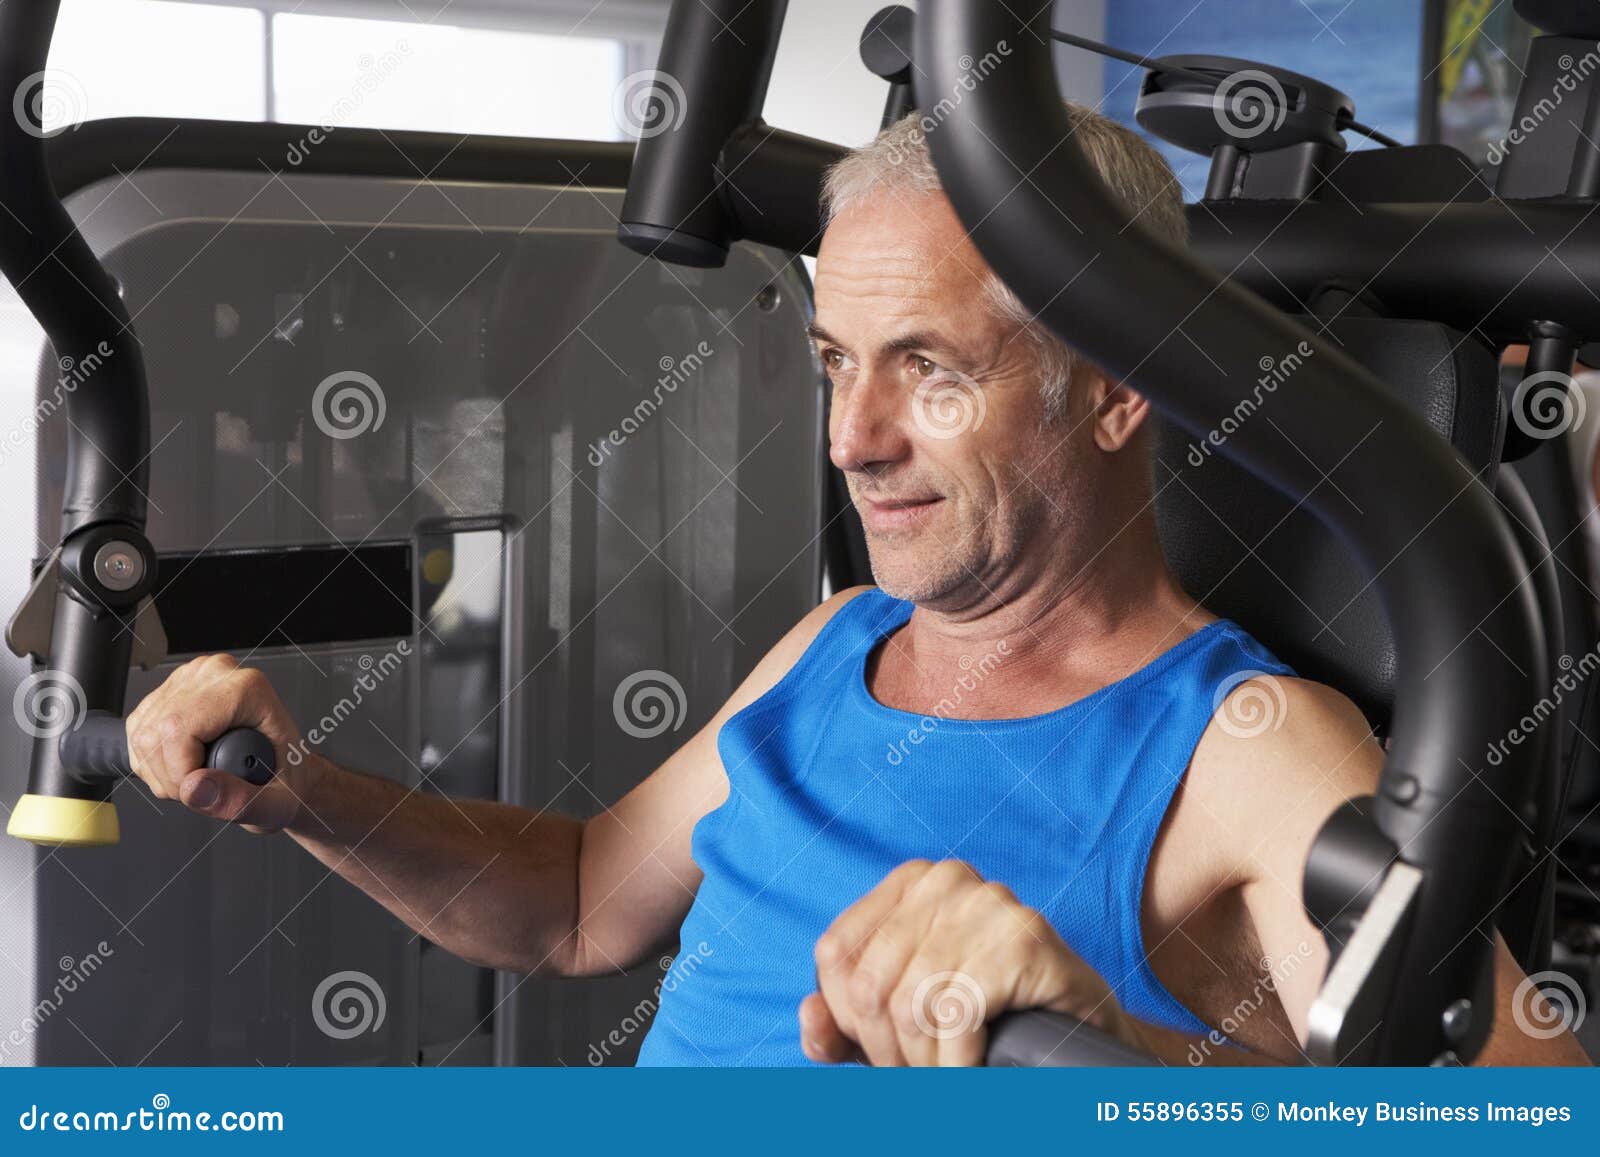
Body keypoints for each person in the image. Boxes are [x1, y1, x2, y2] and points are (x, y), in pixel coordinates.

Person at [121, 107, 1588, 1066]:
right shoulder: (844, 640)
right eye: (835, 363)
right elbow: (573, 906)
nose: (851, 440)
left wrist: (1101, 1059)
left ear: (1123, 384)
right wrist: (311, 790)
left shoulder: (1251, 750)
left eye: (928, 370)